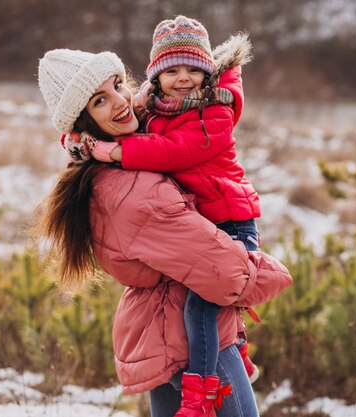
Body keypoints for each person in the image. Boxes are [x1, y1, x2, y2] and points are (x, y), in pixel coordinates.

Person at [36, 48, 292, 417]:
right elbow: (223, 271)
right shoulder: (134, 190)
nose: (121, 101)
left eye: (119, 85)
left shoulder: (114, 161)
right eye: (100, 101)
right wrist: (271, 274)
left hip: (161, 333)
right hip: (191, 342)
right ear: (84, 122)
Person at [69, 17, 262, 408]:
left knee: (207, 301)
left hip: (228, 220)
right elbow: (224, 271)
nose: (184, 78)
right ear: (156, 77)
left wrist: (106, 148)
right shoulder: (142, 146)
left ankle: (232, 351)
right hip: (179, 322)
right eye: (171, 70)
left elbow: (170, 150)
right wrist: (80, 140)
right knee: (206, 302)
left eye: (119, 86)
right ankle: (203, 384)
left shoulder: (210, 112)